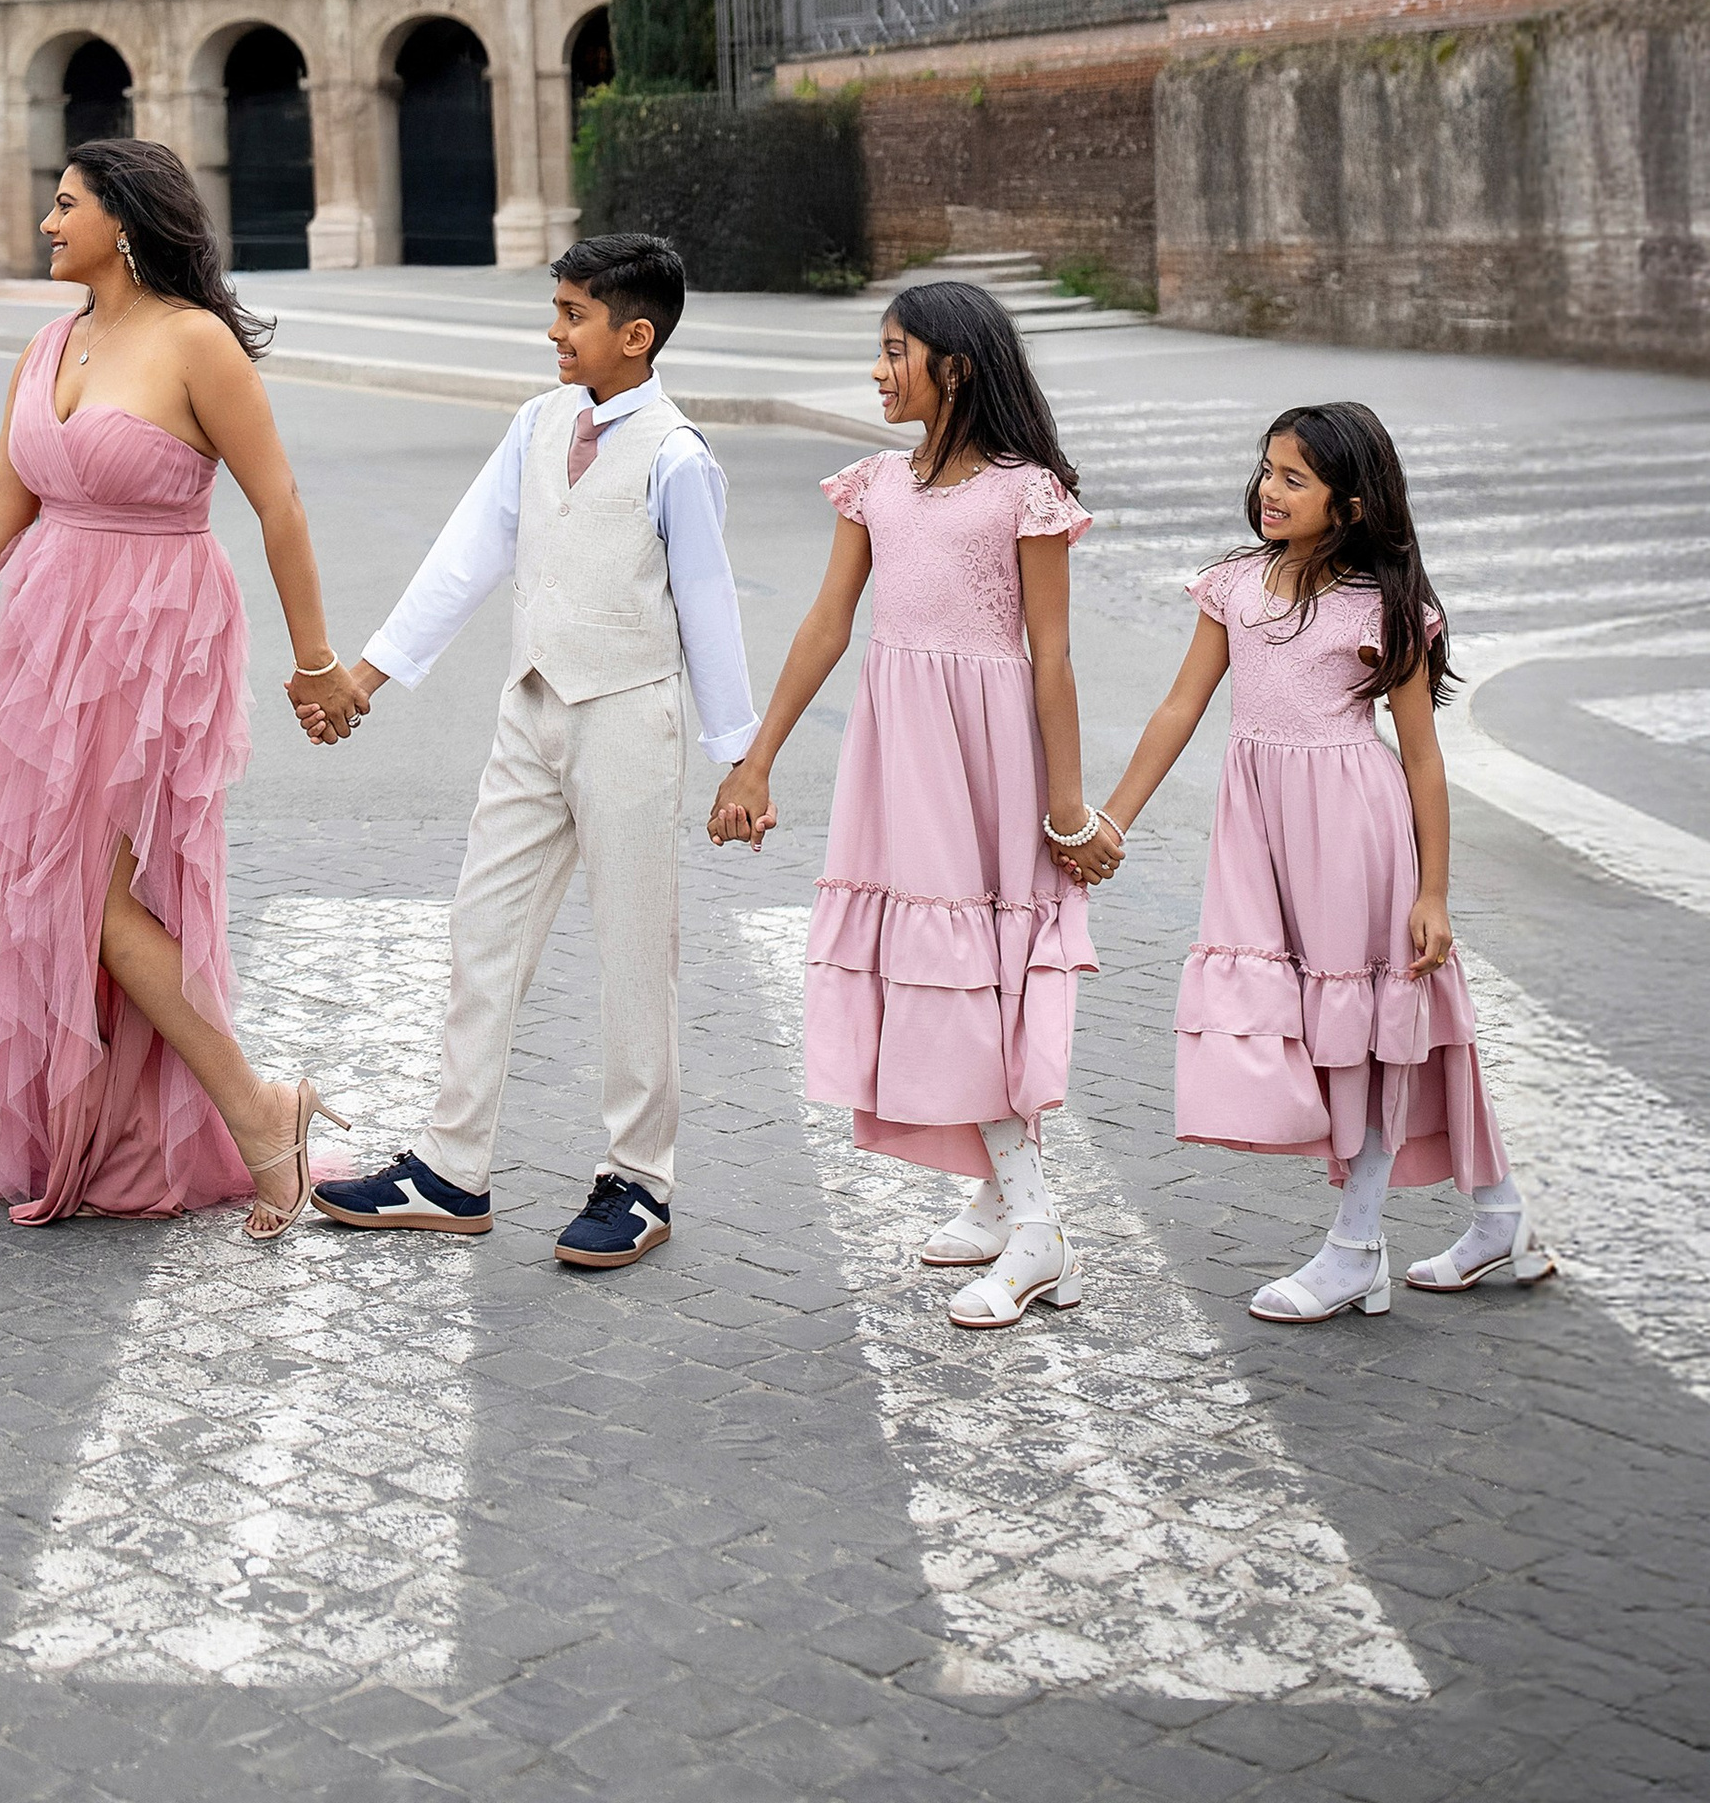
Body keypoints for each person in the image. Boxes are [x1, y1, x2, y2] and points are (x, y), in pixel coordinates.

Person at [0, 140, 369, 1236]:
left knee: (96, 892)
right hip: (49, 643)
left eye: (65, 203)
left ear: (123, 221)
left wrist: (315, 659)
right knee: (55, 883)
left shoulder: (195, 342)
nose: (47, 222)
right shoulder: (50, 344)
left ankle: (258, 1110)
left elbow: (278, 502)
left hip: (157, 640)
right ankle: (182, 1118)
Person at [312, 233, 754, 1274]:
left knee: (634, 949)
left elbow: (709, 602)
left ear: (634, 335)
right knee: (483, 926)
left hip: (628, 717)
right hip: (531, 708)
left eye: (571, 314)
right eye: (555, 309)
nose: (552, 330)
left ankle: (638, 1179)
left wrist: (741, 757)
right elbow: (467, 553)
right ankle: (450, 1167)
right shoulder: (536, 422)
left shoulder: (677, 454)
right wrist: (367, 675)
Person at [1090, 401, 1554, 1320]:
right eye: (1268, 469)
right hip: (1263, 833)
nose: (1270, 489)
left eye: (1294, 478)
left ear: (1350, 504)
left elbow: (1421, 758)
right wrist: (1112, 819)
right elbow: (1180, 708)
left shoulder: (1383, 607)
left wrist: (1433, 892)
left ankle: (1356, 1248)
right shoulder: (1234, 585)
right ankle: (1500, 1214)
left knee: (1368, 1036)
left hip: (1354, 836)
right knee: (1351, 1027)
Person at [709, 278, 1111, 1331]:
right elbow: (825, 624)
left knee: (974, 971)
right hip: (899, 755)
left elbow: (1053, 655)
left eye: (896, 350)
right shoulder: (874, 485)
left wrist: (1067, 809)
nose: (878, 369)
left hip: (987, 762)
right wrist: (755, 760)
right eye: (880, 350)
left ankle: (1037, 1226)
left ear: (955, 367)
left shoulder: (1025, 493)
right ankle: (997, 1196)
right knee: (941, 967)